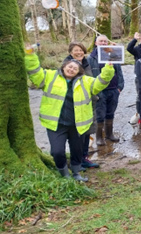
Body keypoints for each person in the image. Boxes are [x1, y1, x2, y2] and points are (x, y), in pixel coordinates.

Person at [25, 47, 114, 181]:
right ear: (64, 66)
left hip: (77, 124)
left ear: (79, 72)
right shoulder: (50, 76)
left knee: (77, 151)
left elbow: (100, 83)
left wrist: (108, 68)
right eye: (69, 67)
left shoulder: (86, 81)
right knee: (57, 151)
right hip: (57, 123)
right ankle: (65, 174)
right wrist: (30, 55)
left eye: (75, 68)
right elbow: (35, 72)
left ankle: (76, 173)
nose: (71, 69)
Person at [63, 42, 98, 169]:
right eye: (76, 50)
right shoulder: (67, 66)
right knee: (75, 135)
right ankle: (75, 161)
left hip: (88, 103)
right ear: (71, 52)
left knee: (86, 132)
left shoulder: (86, 63)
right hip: (74, 105)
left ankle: (84, 158)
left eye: (81, 50)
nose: (79, 53)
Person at [88, 35, 125, 148]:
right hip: (99, 91)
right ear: (96, 43)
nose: (103, 43)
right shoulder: (91, 58)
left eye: (105, 41)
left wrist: (119, 87)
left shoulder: (113, 54)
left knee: (110, 112)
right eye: (101, 41)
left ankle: (109, 134)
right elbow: (89, 75)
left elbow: (119, 72)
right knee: (99, 114)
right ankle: (99, 137)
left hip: (113, 90)